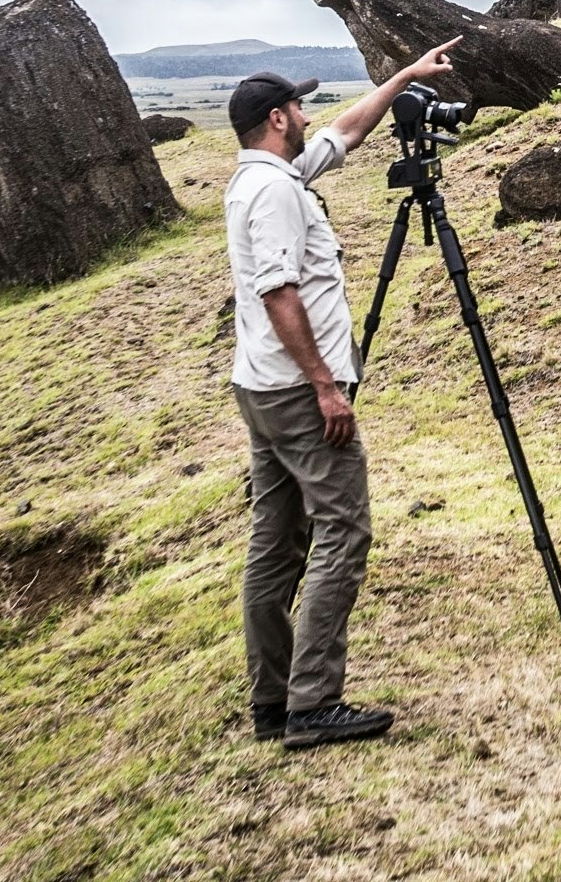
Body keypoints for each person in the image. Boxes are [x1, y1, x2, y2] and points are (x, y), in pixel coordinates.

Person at [224, 39, 457, 748]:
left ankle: (272, 702)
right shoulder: (273, 195)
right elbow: (278, 292)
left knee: (275, 545)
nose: (306, 112)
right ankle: (312, 704)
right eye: (296, 104)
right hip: (298, 391)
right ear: (275, 120)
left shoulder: (269, 175)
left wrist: (405, 77)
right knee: (343, 530)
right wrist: (326, 385)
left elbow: (345, 133)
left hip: (260, 388)